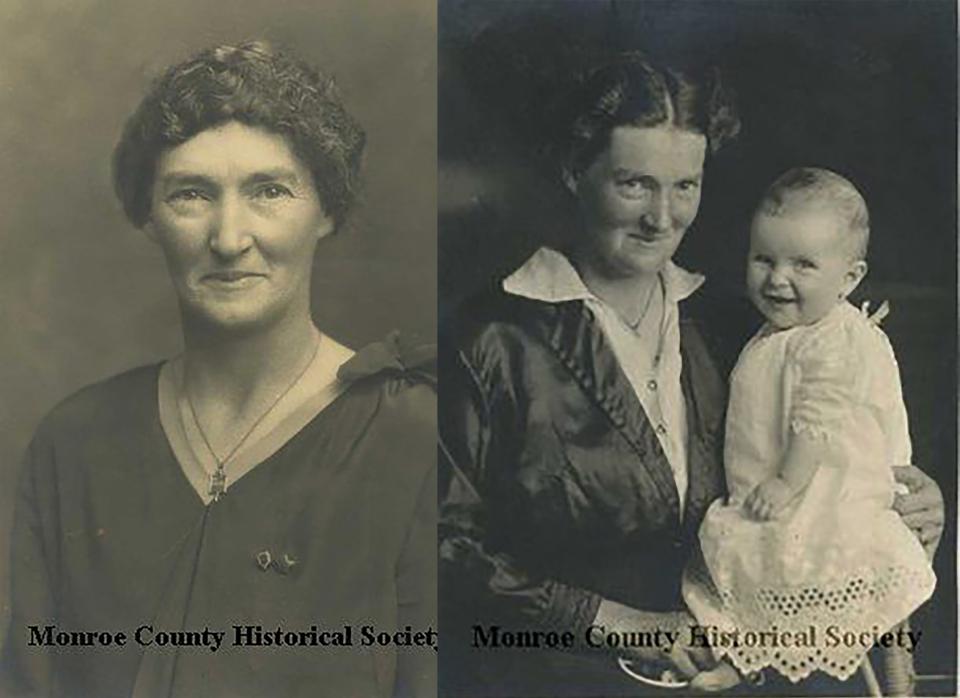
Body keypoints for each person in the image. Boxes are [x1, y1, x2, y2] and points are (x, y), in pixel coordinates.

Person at [438, 57, 945, 697]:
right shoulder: (491, 339)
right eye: (634, 185)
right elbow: (445, 547)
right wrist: (622, 625)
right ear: (574, 172)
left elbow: (833, 437)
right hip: (559, 678)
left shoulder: (744, 325)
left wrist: (911, 499)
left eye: (685, 186)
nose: (663, 217)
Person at [1, 42, 436, 698]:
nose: (230, 238)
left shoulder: (413, 438)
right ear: (149, 216)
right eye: (191, 194)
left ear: (326, 209)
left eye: (269, 190)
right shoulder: (75, 443)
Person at [682, 168, 936, 691]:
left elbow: (816, 420)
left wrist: (785, 483)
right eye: (763, 259)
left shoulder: (831, 339)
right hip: (776, 494)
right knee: (745, 568)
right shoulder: (778, 334)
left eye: (803, 264)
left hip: (821, 497)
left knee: (794, 568)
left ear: (849, 278)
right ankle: (746, 656)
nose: (778, 279)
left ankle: (885, 672)